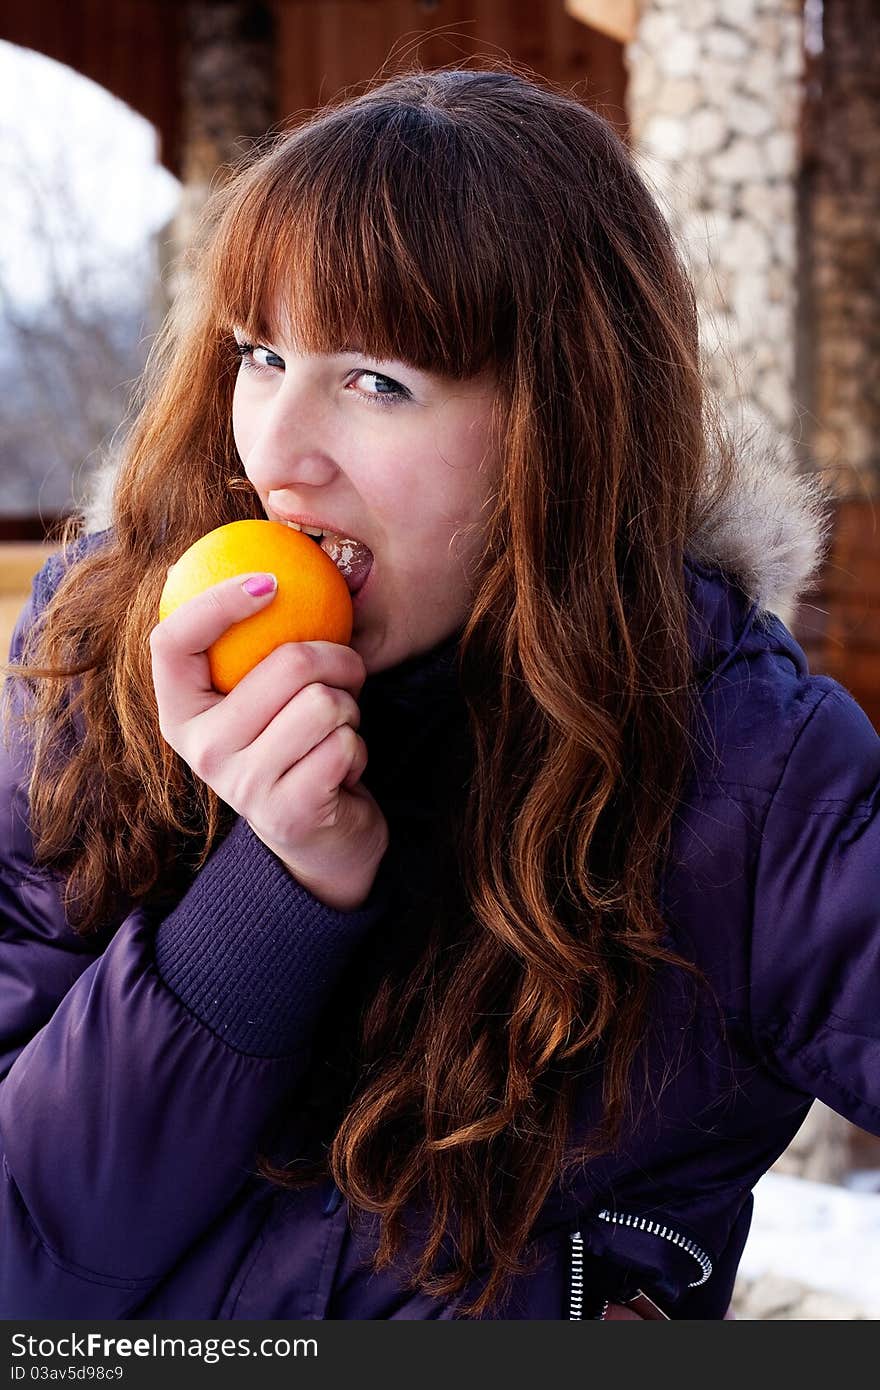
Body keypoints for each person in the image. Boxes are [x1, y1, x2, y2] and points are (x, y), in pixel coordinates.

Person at [1, 63, 877, 1323]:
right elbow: (28, 1276)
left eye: (377, 382)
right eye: (262, 354)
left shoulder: (740, 769)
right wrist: (272, 889)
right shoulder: (101, 660)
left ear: (559, 427)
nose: (277, 456)